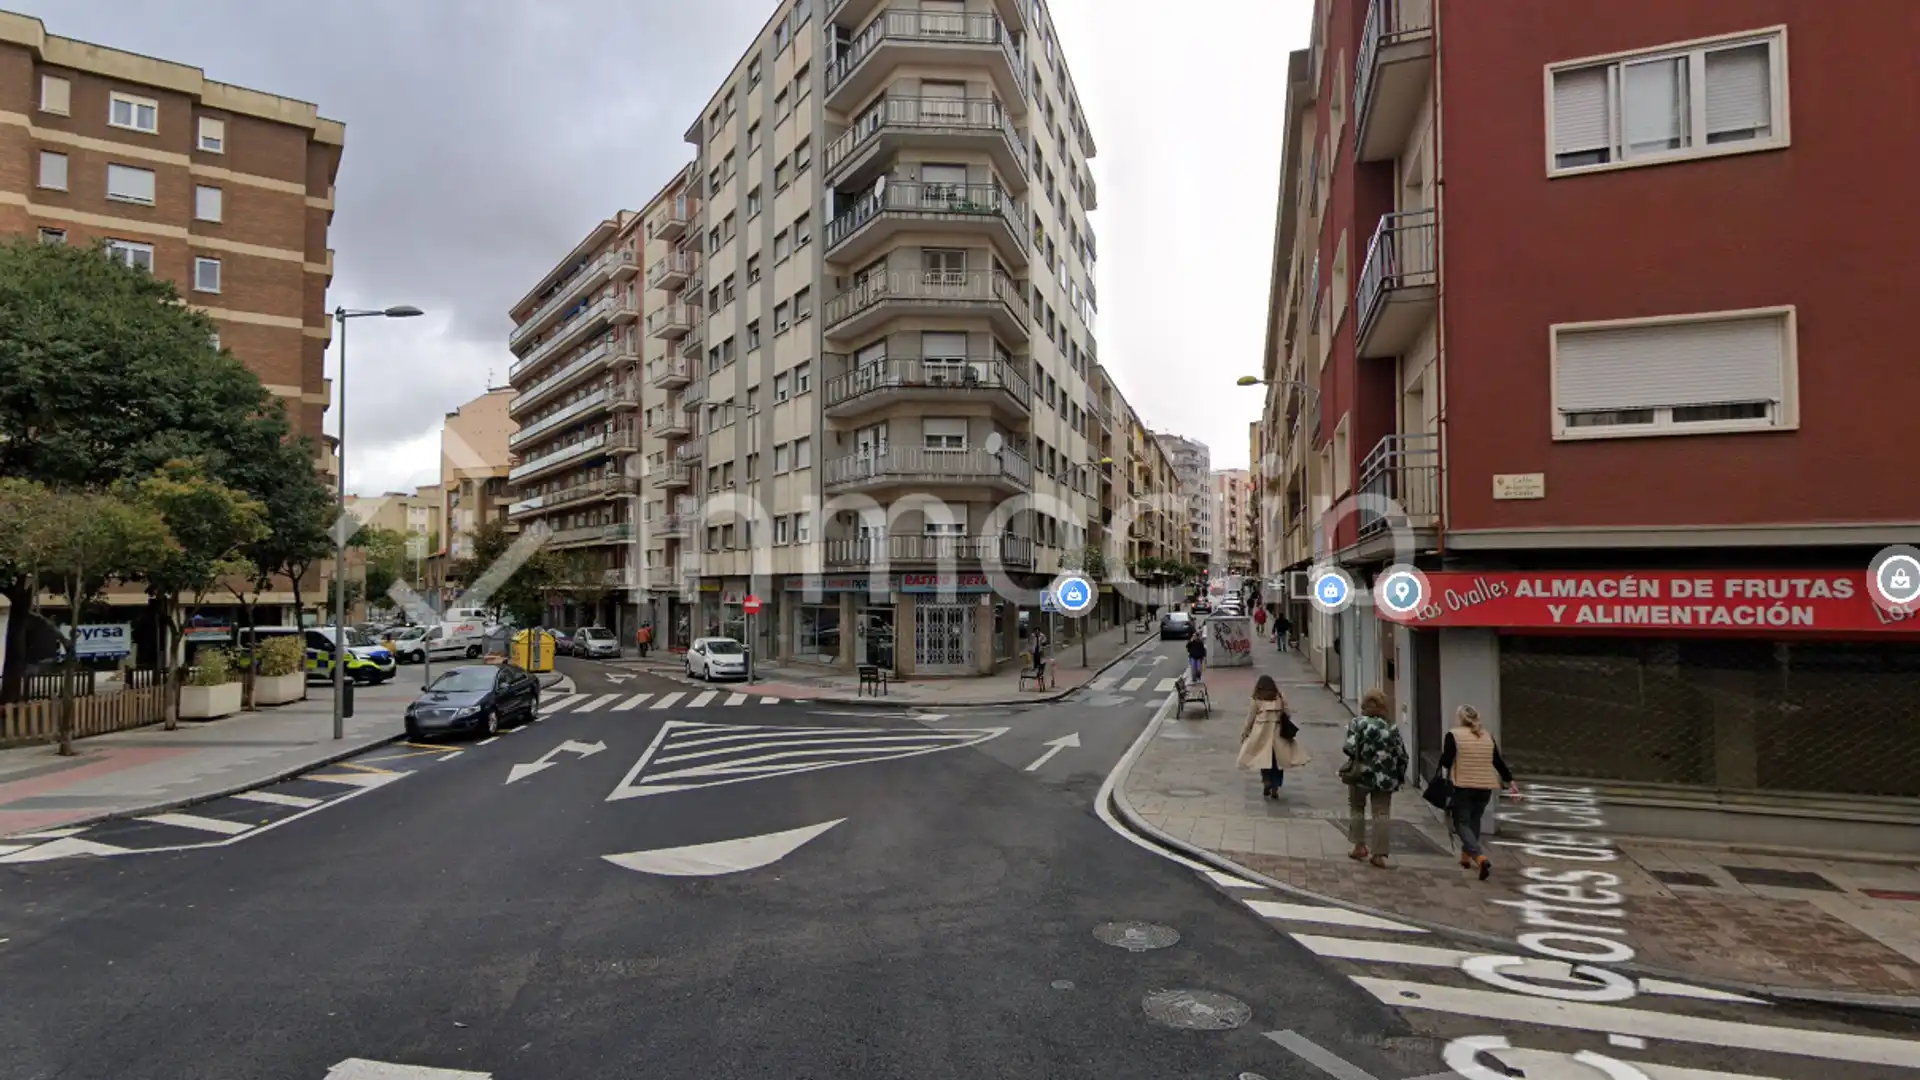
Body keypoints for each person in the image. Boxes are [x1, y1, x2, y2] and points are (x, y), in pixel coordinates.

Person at [1438, 704, 1519, 880]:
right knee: (1474, 820)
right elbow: (1497, 762)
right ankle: (1465, 858)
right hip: (1485, 787)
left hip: (1463, 786)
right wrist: (1511, 781)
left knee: (1461, 823)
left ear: (1460, 718)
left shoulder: (1454, 735)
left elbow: (1445, 761)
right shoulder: (1487, 737)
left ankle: (1479, 857)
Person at [1340, 688, 1409, 869]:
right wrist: (1399, 776)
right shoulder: (1391, 727)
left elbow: (1348, 747)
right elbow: (1402, 755)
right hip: (1385, 778)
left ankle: (1359, 845)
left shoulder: (1357, 723)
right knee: (1382, 813)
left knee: (1357, 808)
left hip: (1360, 775)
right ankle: (1379, 854)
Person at [1238, 674, 1310, 798]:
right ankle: (1275, 787)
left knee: (1264, 759)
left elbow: (1250, 718)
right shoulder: (1280, 697)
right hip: (1278, 734)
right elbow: (1287, 713)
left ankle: (1266, 781)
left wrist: (1245, 733)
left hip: (1262, 734)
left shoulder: (1256, 699)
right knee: (1278, 761)